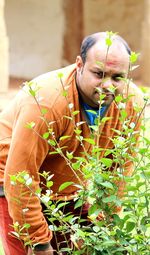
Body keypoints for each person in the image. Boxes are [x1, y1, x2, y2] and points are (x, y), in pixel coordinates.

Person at [0, 32, 143, 255]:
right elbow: (20, 176)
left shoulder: (131, 103)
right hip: (12, 178)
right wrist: (39, 243)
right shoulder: (46, 102)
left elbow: (119, 172)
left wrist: (105, 225)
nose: (108, 85)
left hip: (67, 183)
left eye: (117, 77)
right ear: (79, 65)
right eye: (99, 74)